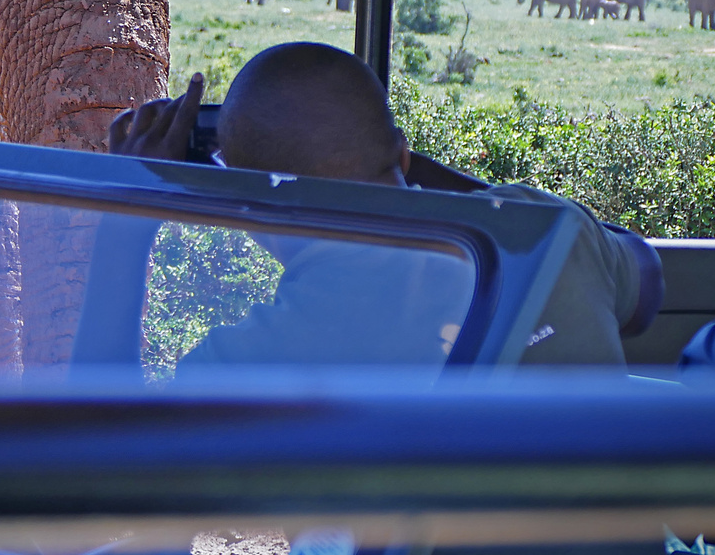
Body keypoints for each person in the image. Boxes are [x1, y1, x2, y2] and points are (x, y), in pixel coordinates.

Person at [92, 42, 661, 368]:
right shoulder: (550, 230)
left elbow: (94, 466)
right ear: (404, 157)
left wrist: (124, 221)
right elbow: (645, 283)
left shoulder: (262, 357)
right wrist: (442, 183)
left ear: (248, 197)